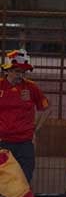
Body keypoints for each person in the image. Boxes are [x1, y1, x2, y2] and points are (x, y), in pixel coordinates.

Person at [0, 49, 50, 181]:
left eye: (23, 72)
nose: (20, 75)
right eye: (17, 72)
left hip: (25, 143)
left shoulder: (31, 87)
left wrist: (35, 129)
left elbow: (46, 109)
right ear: (8, 70)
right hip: (2, 142)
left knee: (24, 180)